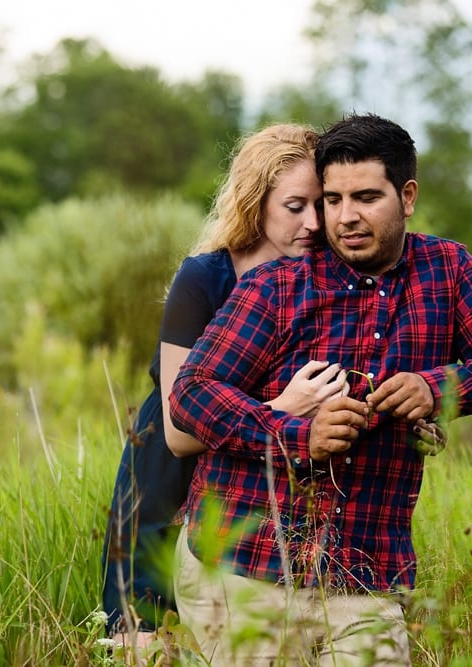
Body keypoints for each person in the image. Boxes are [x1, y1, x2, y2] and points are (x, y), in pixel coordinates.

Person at [168, 113, 472, 666]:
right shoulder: (277, 287)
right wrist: (297, 434)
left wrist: (439, 386)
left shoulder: (448, 270)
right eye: (333, 199)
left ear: (407, 195)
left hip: (365, 578)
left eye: (367, 197)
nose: (346, 217)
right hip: (242, 572)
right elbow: (193, 393)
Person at [101, 124, 348, 648]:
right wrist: (282, 407)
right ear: (256, 202)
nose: (313, 223)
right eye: (295, 205)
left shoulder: (327, 280)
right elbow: (177, 432)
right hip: (169, 478)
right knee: (147, 639)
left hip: (255, 486)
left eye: (320, 206)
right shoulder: (205, 278)